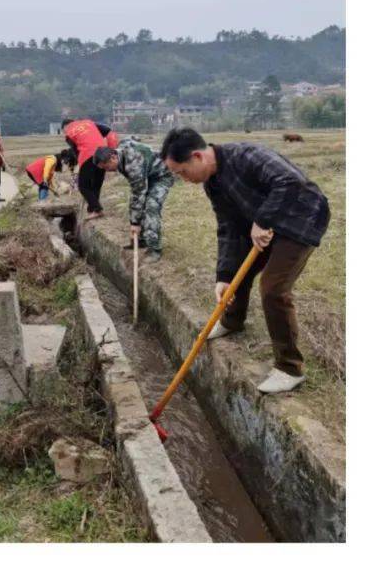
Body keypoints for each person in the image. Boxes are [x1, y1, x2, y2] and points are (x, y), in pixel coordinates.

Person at [160, 127, 330, 394]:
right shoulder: (213, 185)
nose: (183, 179)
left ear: (197, 156)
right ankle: (232, 320)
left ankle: (289, 368)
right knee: (240, 272)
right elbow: (228, 227)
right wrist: (224, 276)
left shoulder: (247, 155)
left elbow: (290, 182)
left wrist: (262, 220)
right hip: (266, 223)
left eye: (181, 172)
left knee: (273, 288)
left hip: (302, 216)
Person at [94, 137, 174, 261]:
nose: (107, 171)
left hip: (161, 175)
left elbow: (138, 194)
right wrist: (134, 222)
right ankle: (141, 240)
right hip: (148, 174)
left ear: (113, 157)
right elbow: (130, 139)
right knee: (137, 205)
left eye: (106, 167)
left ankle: (154, 249)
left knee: (151, 207)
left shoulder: (133, 164)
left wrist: (134, 223)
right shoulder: (120, 151)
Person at [61, 116, 118, 218]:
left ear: (65, 127)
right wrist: (111, 150)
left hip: (87, 155)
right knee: (96, 183)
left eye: (63, 130)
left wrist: (81, 166)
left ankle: (97, 209)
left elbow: (76, 152)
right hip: (102, 153)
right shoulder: (89, 123)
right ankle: (93, 209)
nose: (64, 132)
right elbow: (108, 131)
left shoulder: (69, 133)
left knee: (83, 186)